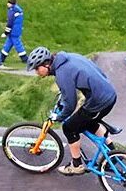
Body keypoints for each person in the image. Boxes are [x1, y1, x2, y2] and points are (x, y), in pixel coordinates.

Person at [26, 46, 118, 176]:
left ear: (46, 64)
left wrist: (59, 117)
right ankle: (114, 155)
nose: (36, 72)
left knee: (69, 127)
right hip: (109, 93)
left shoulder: (62, 73)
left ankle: (76, 165)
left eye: (37, 68)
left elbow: (70, 104)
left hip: (99, 101)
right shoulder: (69, 57)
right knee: (89, 122)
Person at [0, 0, 27, 64]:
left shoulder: (12, 11)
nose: (7, 4)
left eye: (8, 3)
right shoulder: (19, 10)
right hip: (17, 30)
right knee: (8, 44)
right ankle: (2, 57)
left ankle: (24, 58)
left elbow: (10, 23)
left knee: (17, 45)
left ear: (10, 4)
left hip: (13, 32)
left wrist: (6, 32)